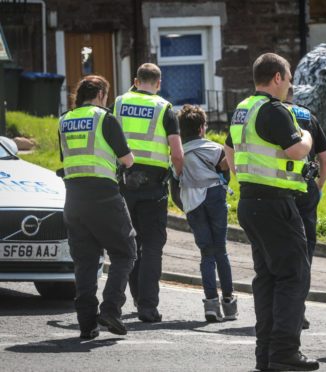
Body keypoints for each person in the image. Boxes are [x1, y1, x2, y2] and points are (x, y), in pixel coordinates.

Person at [224, 53, 319, 372]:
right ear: (277, 77)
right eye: (288, 76)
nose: (290, 82)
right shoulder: (274, 109)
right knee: (294, 276)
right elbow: (296, 149)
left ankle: (266, 354)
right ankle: (284, 353)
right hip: (276, 204)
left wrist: (245, 175)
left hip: (251, 202)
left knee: (266, 278)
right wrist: (307, 136)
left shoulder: (242, 109)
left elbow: (229, 150)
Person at [58, 75, 137, 339]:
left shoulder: (64, 120)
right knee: (125, 252)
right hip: (103, 197)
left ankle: (86, 324)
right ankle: (111, 309)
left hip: (73, 199)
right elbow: (126, 159)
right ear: (101, 94)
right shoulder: (105, 118)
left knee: (85, 263)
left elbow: (66, 158)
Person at [112, 63, 184, 323]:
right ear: (159, 83)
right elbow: (177, 154)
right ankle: (148, 307)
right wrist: (179, 176)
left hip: (124, 182)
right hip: (153, 187)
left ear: (135, 80)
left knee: (130, 244)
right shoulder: (165, 108)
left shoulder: (119, 103)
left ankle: (136, 297)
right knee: (152, 246)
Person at [175, 104, 237, 322]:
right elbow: (226, 177)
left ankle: (211, 304)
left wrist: (185, 206)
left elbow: (175, 186)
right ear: (202, 127)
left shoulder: (178, 154)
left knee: (206, 253)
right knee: (221, 250)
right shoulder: (216, 149)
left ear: (181, 129)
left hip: (193, 203)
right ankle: (229, 304)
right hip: (214, 198)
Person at [284, 88, 326, 331]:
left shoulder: (270, 113)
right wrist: (318, 189)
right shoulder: (308, 116)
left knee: (280, 253)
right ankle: (298, 312)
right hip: (305, 188)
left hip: (277, 190)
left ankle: (279, 311)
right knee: (305, 254)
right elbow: (325, 162)